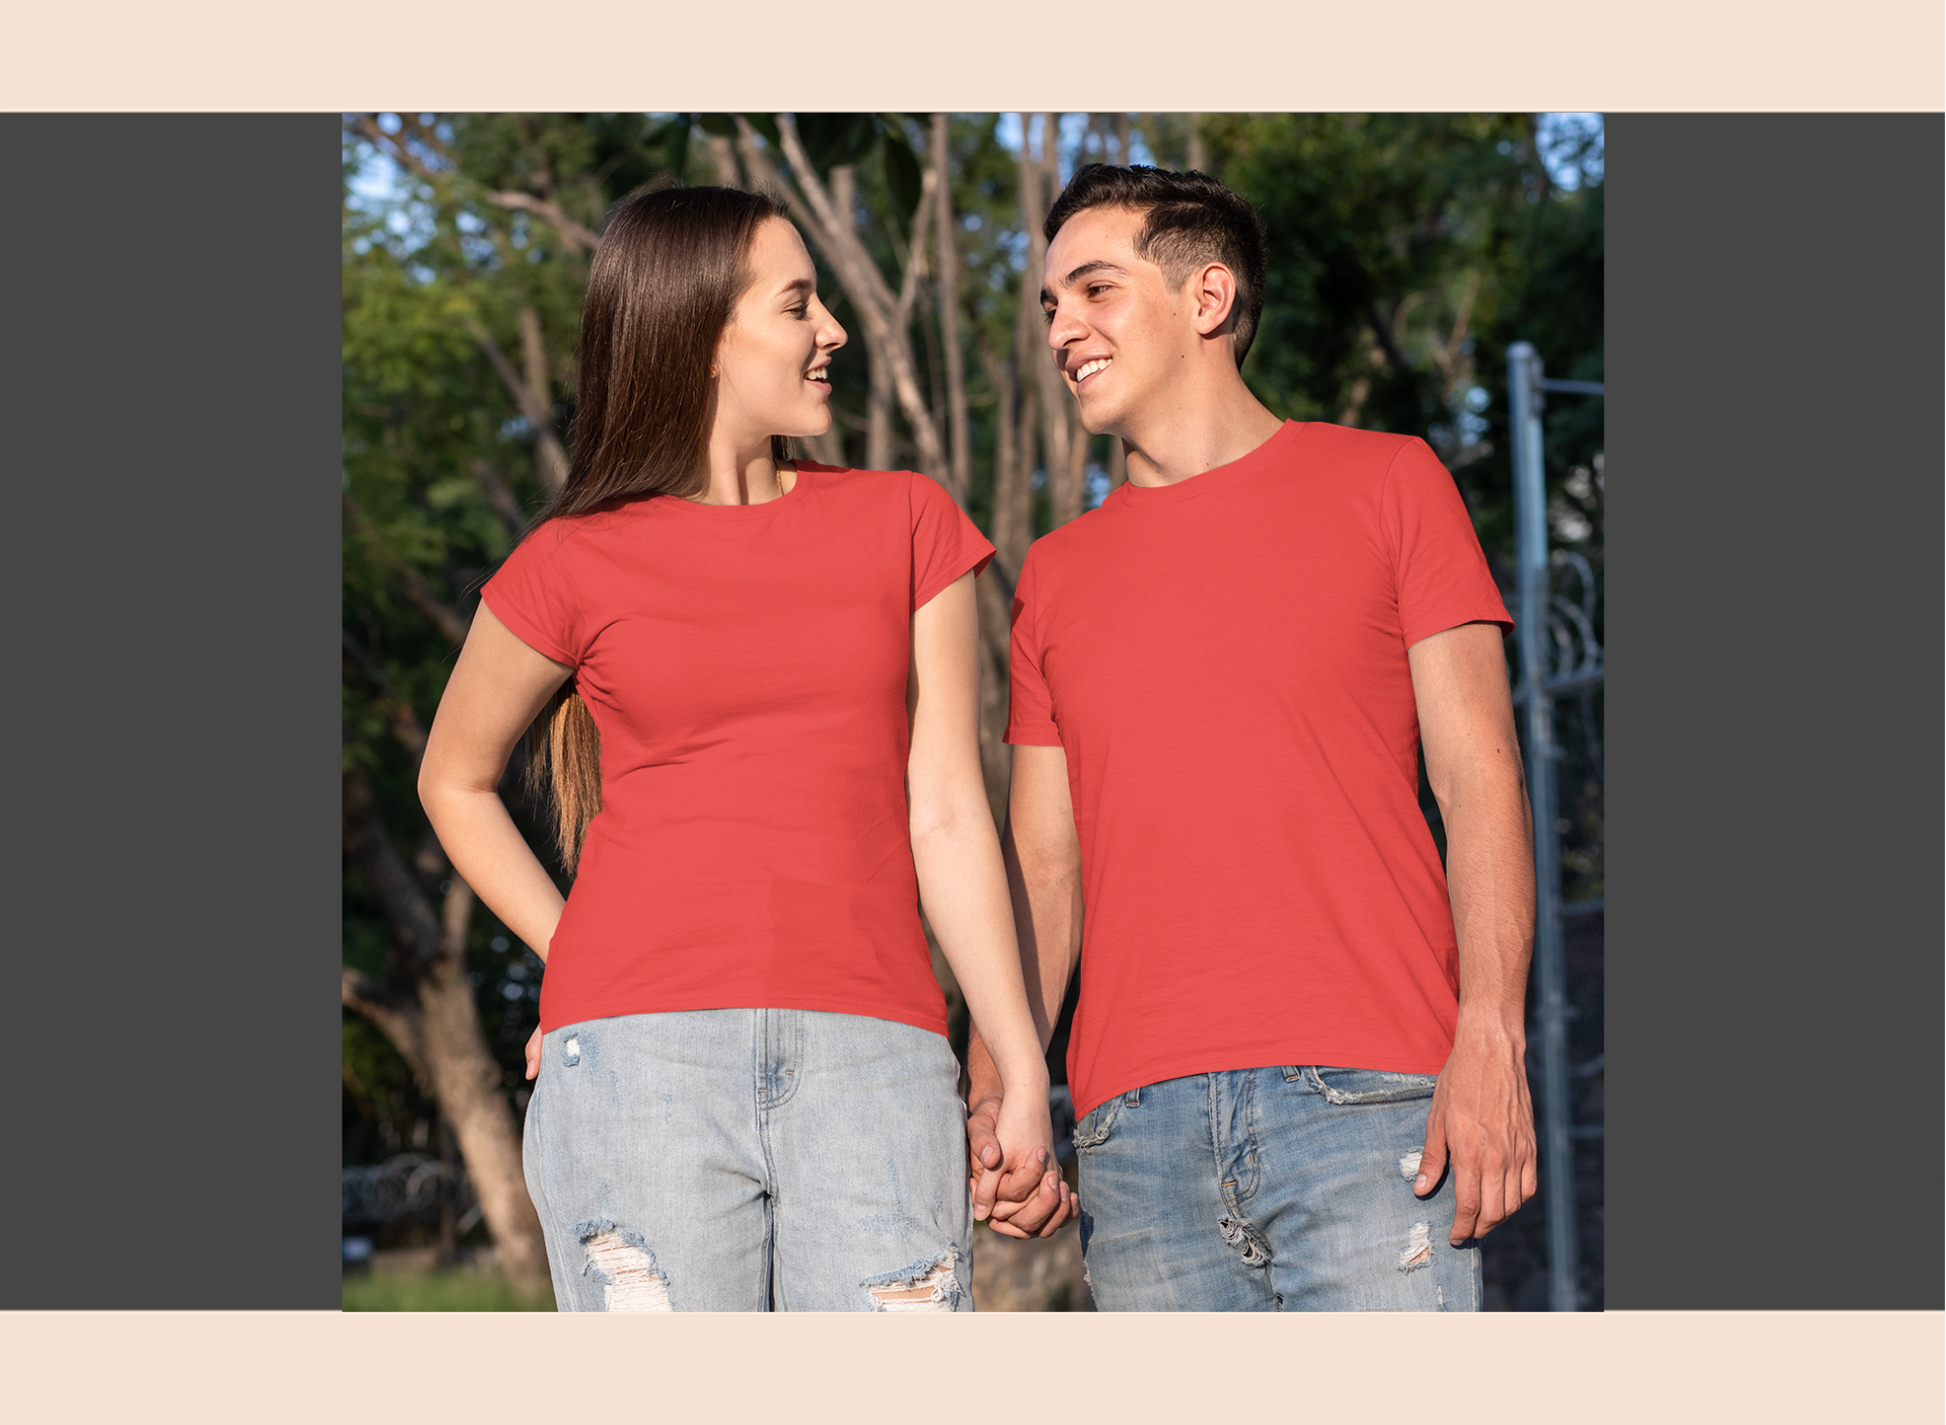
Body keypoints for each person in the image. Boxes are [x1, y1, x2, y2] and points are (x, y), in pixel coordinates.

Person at [418, 184, 1058, 1312]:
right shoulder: (572, 561)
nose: (835, 333)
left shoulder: (906, 522)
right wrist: (571, 955)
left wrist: (1014, 1058)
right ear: (702, 333)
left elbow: (948, 809)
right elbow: (452, 779)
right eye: (798, 304)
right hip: (634, 1065)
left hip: (879, 1058)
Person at [964, 165, 1538, 1311]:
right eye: (1048, 307)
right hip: (1133, 1140)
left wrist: (1491, 1035)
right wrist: (999, 1087)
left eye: (1094, 290)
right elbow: (1043, 865)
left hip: (1372, 1108)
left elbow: (1478, 776)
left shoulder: (1388, 482)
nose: (1061, 328)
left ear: (1206, 297)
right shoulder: (1056, 578)